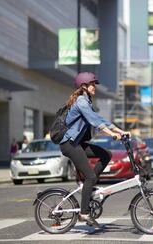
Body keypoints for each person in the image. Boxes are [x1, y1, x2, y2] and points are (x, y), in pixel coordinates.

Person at [59, 72, 129, 228]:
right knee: (89, 176)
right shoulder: (81, 102)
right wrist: (111, 134)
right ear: (83, 86)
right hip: (69, 144)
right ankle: (84, 213)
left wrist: (120, 131)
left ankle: (89, 187)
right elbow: (94, 120)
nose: (94, 87)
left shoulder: (87, 101)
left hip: (77, 143)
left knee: (106, 155)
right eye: (92, 84)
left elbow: (101, 119)